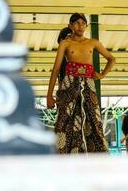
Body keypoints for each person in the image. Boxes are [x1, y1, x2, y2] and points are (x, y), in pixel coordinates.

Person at [46, 13, 116, 153]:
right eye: (77, 23)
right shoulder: (65, 43)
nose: (80, 26)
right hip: (69, 84)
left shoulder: (93, 42)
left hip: (89, 83)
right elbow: (56, 70)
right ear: (70, 26)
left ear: (86, 26)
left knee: (94, 120)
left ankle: (98, 157)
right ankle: (62, 155)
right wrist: (49, 95)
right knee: (64, 120)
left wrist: (102, 75)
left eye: (83, 23)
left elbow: (111, 59)